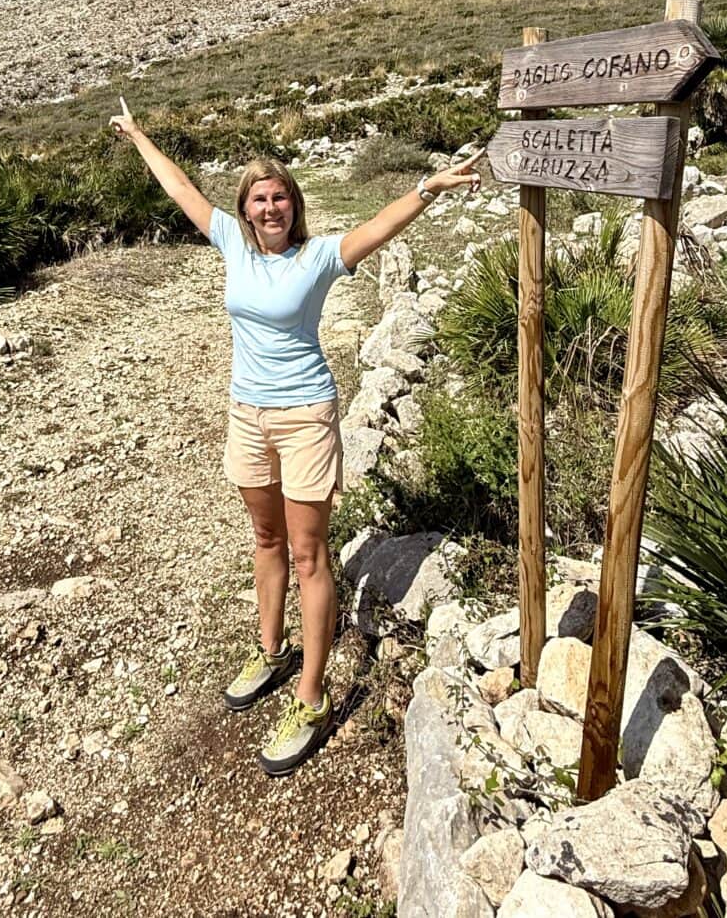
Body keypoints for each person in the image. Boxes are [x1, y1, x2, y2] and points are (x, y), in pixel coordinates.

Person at [109, 97, 482, 775]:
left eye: (279, 196)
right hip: (246, 413)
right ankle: (271, 647)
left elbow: (377, 227)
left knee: (310, 554)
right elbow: (181, 189)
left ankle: (311, 694)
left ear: (293, 204)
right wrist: (138, 135)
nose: (269, 207)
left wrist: (427, 187)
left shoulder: (316, 258)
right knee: (265, 538)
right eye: (258, 198)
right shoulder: (229, 241)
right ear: (246, 208)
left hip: (306, 415)